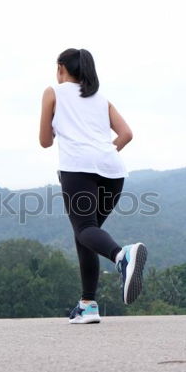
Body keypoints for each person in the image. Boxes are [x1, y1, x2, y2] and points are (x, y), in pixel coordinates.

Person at [39, 48, 147, 324]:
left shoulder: (53, 92)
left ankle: (122, 256)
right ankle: (88, 305)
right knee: (87, 233)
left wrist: (55, 127)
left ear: (61, 67)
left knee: (85, 229)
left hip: (78, 169)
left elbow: (45, 141)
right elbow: (126, 134)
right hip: (113, 171)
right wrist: (103, 153)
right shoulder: (100, 99)